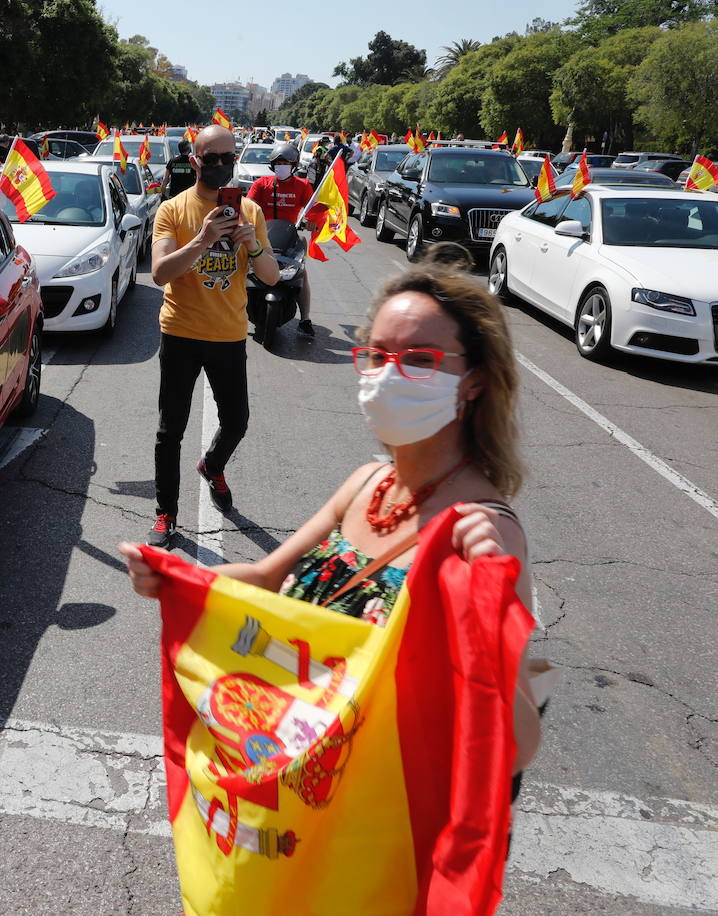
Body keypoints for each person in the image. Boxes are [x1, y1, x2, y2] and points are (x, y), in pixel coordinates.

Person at [120, 251, 542, 767]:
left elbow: (517, 746)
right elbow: (267, 575)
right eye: (378, 355)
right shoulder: (368, 483)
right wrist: (177, 578)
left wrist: (489, 608)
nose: (389, 375)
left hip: (376, 816)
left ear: (474, 380)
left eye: (419, 359)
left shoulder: (484, 530)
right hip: (304, 785)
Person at [147, 125, 281, 547]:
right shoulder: (173, 209)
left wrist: (253, 247)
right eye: (213, 158)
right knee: (171, 431)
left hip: (228, 335)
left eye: (229, 157)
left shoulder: (251, 211)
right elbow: (159, 273)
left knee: (237, 420)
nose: (222, 165)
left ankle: (212, 465)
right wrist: (204, 239)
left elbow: (272, 276)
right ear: (196, 162)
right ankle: (166, 512)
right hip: (181, 333)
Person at [246, 142, 324, 335]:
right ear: (272, 165)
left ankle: (305, 318)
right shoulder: (261, 184)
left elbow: (313, 211)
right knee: (241, 269)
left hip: (289, 239)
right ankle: (235, 309)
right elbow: (248, 206)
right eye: (278, 162)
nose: (282, 166)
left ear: (294, 165)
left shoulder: (303, 186)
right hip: (262, 237)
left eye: (286, 163)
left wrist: (313, 221)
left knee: (302, 274)